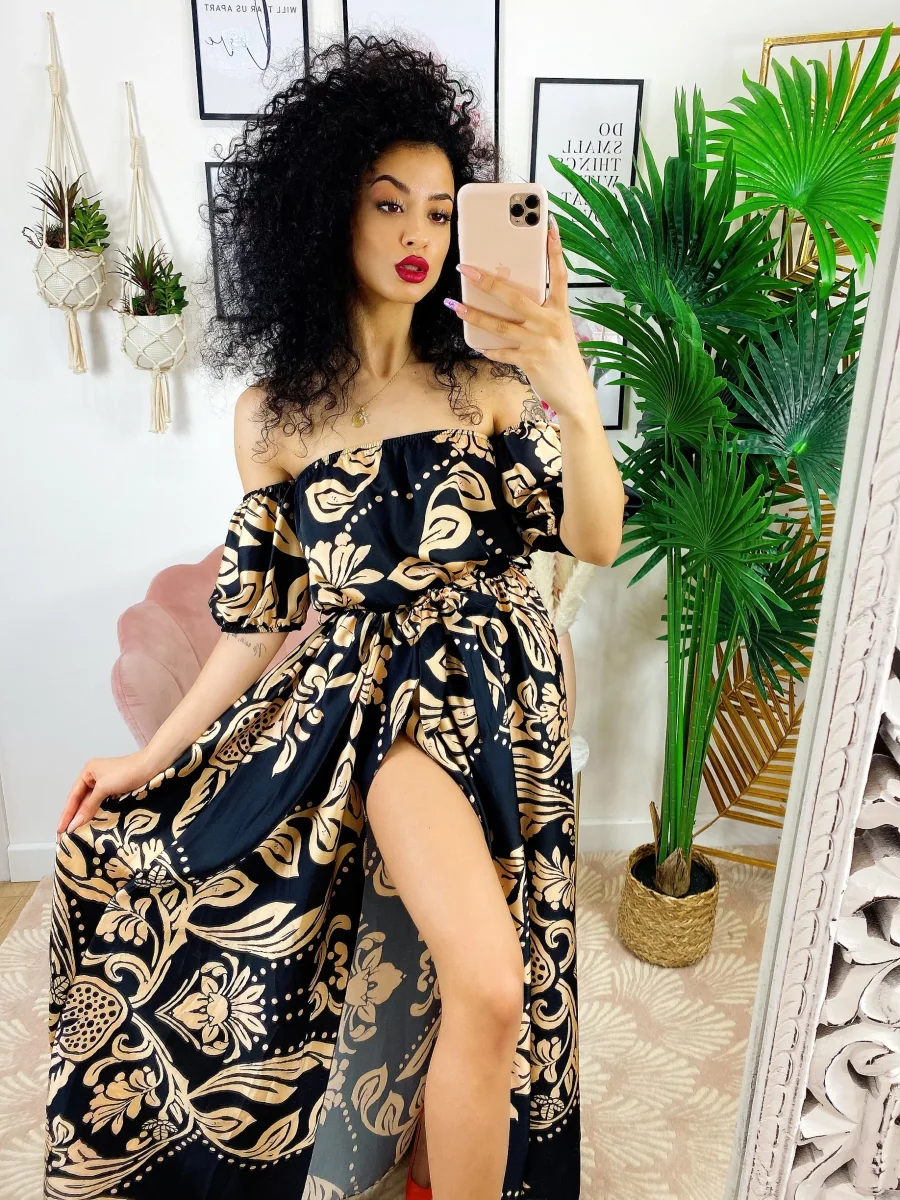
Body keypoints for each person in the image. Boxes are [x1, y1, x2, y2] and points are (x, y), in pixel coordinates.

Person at [45, 34, 639, 1200]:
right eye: (388, 202)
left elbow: (598, 537)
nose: (420, 232)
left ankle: (425, 1165)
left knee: (471, 983)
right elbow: (256, 619)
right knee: (491, 986)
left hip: (512, 702)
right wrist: (150, 759)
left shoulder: (489, 383)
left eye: (440, 210)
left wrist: (570, 386)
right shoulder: (272, 417)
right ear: (328, 212)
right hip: (383, 706)